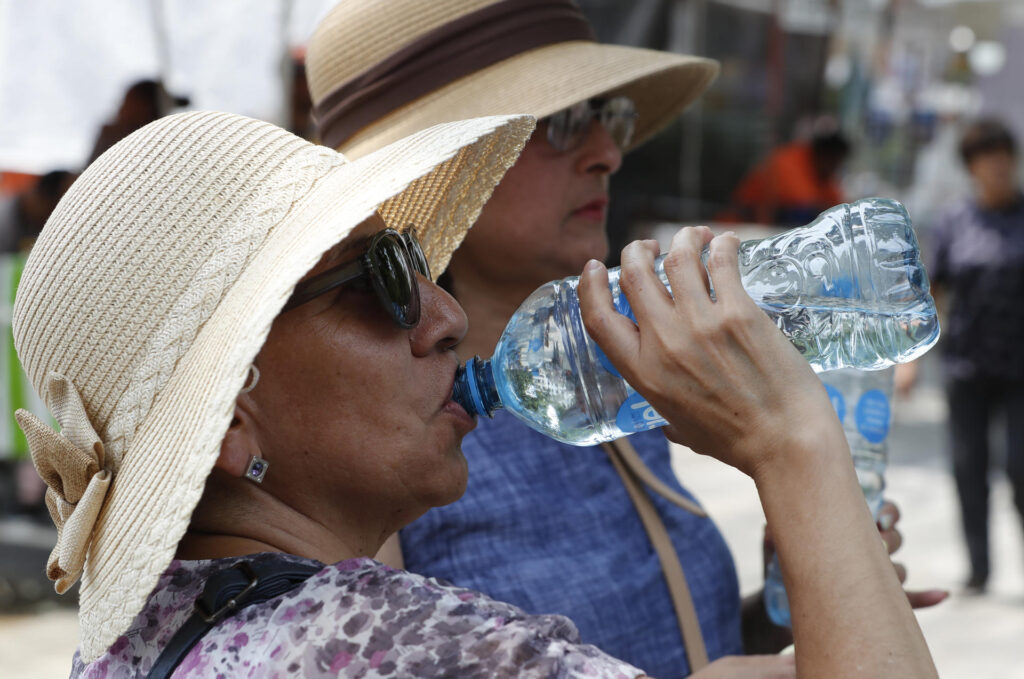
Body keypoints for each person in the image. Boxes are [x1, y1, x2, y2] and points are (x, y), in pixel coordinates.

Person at [15, 110, 937, 678]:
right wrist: (793, 443)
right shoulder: (409, 642)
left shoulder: (150, 629)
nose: (446, 314)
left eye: (418, 262)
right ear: (227, 416)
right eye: (379, 278)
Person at [306, 2, 943, 675]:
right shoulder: (394, 436)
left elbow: (657, 642)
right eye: (562, 123)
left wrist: (819, 594)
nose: (607, 153)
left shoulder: (618, 360)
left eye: (611, 118)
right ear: (433, 172)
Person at [904, 118, 1024, 595]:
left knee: (1021, 468)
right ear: (971, 167)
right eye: (986, 158)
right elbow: (930, 293)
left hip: (1021, 370)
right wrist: (908, 361)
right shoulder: (956, 222)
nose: (998, 166)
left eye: (1004, 156)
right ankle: (979, 570)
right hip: (967, 368)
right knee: (968, 468)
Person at [730, 128, 851, 228]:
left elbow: (836, 206)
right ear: (824, 155)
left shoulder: (821, 173)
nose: (835, 167)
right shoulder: (790, 161)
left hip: (766, 229)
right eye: (834, 162)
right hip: (741, 224)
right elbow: (801, 202)